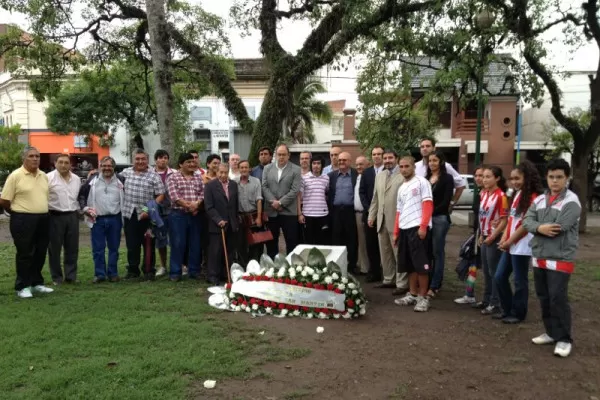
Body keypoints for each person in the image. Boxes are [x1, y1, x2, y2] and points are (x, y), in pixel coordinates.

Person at [523, 159, 581, 358]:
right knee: (544, 297)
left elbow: (559, 227)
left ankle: (564, 339)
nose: (555, 181)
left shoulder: (572, 201)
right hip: (539, 256)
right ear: (546, 178)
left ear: (567, 178)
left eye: (559, 177)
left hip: (560, 257)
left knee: (558, 298)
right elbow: (526, 221)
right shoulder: (539, 199)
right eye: (551, 177)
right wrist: (539, 227)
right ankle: (551, 332)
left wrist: (536, 226)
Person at [0, 147, 54, 298]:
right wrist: (16, 212)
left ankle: (36, 283)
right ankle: (22, 286)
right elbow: (4, 200)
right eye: (31, 156)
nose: (35, 159)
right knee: (25, 253)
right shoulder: (15, 176)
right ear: (24, 158)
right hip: (23, 219)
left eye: (37, 156)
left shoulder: (43, 176)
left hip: (43, 218)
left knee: (40, 252)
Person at [494, 160, 544, 323]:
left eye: (517, 178)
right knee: (499, 276)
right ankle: (507, 308)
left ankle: (518, 313)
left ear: (527, 178)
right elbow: (511, 219)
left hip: (522, 245)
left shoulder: (534, 197)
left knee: (519, 280)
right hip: (511, 243)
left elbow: (525, 225)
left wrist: (510, 241)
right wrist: (504, 238)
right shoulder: (518, 195)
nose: (514, 182)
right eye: (512, 179)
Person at [393, 156, 434, 312]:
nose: (404, 169)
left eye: (407, 166)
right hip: (404, 229)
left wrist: (423, 226)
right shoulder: (402, 187)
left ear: (413, 167)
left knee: (421, 265)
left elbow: (428, 204)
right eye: (401, 166)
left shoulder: (422, 182)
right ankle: (412, 294)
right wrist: (396, 232)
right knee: (409, 264)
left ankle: (423, 298)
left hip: (417, 228)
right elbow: (398, 211)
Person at [120, 149, 165, 280]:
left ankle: (148, 270)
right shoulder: (125, 173)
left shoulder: (153, 175)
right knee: (132, 244)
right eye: (137, 159)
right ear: (133, 160)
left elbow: (161, 194)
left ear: (147, 160)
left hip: (147, 215)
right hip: (130, 214)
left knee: (148, 244)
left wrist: (147, 209)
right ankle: (133, 270)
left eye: (143, 159)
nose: (140, 161)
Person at [368, 149, 408, 294]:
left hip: (397, 221)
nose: (387, 161)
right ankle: (388, 279)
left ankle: (402, 283)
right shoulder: (380, 175)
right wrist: (371, 216)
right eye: (385, 158)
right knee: (385, 252)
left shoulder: (403, 175)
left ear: (396, 158)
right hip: (381, 220)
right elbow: (375, 198)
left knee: (398, 253)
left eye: (390, 158)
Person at [79, 156, 124, 283]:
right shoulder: (92, 180)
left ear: (113, 167)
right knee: (98, 249)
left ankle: (113, 273)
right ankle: (100, 274)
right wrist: (85, 208)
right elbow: (81, 196)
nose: (107, 168)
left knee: (114, 248)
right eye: (104, 166)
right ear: (100, 166)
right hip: (97, 219)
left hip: (115, 219)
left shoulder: (121, 180)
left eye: (109, 166)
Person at [166, 152, 204, 281]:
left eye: (193, 162)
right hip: (178, 215)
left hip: (195, 215)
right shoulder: (173, 177)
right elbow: (174, 196)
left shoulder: (198, 177)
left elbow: (203, 194)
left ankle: (194, 270)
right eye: (188, 162)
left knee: (195, 243)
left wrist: (197, 204)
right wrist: (190, 206)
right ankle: (175, 272)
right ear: (180, 164)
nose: (192, 164)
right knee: (177, 243)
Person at [477, 165, 509, 315]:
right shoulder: (483, 194)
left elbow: (504, 220)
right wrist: (480, 235)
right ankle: (487, 299)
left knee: (493, 271)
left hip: (493, 237)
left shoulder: (501, 196)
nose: (484, 180)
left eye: (488, 176)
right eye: (483, 177)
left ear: (497, 178)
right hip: (484, 236)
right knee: (486, 271)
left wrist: (492, 236)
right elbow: (482, 216)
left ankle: (496, 302)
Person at [46, 154, 81, 285]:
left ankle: (71, 276)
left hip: (72, 215)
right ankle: (57, 278)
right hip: (55, 216)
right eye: (60, 162)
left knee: (72, 248)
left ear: (70, 164)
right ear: (55, 163)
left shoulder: (76, 179)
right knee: (54, 249)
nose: (63, 165)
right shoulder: (48, 178)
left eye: (66, 163)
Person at [262, 144, 302, 257]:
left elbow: (295, 190)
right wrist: (273, 202)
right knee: (271, 242)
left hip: (289, 211)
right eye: (279, 154)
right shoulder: (267, 168)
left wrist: (280, 203)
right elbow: (264, 186)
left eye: (284, 154)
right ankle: (273, 268)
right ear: (275, 155)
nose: (281, 157)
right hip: (271, 211)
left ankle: (291, 268)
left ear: (288, 155)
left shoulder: (296, 169)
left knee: (291, 242)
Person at [204, 163, 239, 285]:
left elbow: (235, 204)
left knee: (229, 251)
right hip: (217, 224)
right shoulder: (210, 186)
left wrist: (235, 221)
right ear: (217, 172)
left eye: (225, 172)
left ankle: (226, 274)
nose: (223, 175)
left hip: (231, 223)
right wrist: (218, 219)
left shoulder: (234, 185)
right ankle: (213, 275)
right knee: (215, 251)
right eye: (221, 172)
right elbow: (209, 206)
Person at [426, 151, 454, 297]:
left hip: (439, 219)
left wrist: (429, 213)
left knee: (437, 252)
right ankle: (428, 281)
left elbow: (445, 202)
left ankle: (435, 284)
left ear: (441, 162)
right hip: (426, 220)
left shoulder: (447, 178)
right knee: (428, 252)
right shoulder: (425, 178)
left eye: (435, 160)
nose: (432, 163)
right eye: (430, 160)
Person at [455, 166, 485, 304]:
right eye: (477, 175)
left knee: (485, 267)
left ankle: (490, 298)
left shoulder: (492, 195)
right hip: (477, 233)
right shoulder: (481, 193)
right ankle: (469, 292)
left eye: (482, 175)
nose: (479, 178)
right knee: (472, 262)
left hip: (485, 235)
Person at [328, 152, 359, 273]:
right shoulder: (331, 176)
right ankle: (336, 265)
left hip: (350, 211)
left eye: (344, 160)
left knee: (352, 239)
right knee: (336, 238)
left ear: (350, 161)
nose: (341, 162)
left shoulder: (356, 175)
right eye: (340, 160)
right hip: (335, 212)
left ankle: (351, 265)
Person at [415, 138, 466, 209]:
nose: (425, 149)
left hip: (438, 212)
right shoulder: (415, 167)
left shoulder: (445, 166)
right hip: (419, 211)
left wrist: (452, 203)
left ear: (434, 148)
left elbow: (461, 184)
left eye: (427, 146)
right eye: (422, 146)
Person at [359, 146, 385, 282]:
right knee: (371, 245)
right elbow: (362, 192)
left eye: (379, 154)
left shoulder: (389, 171)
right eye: (374, 154)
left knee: (385, 246)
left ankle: (386, 274)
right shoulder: (367, 172)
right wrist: (370, 210)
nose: (377, 156)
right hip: (369, 215)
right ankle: (373, 272)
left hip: (385, 215)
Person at [236, 160, 264, 265]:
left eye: (246, 167)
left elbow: (259, 199)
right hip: (240, 217)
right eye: (241, 167)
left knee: (256, 243)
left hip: (253, 215)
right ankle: (243, 266)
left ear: (249, 169)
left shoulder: (256, 181)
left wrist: (259, 217)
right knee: (241, 244)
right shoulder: (234, 182)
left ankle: (255, 265)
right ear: (239, 169)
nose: (244, 169)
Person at [298, 155, 329, 245]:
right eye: (314, 163)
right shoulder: (304, 178)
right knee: (309, 242)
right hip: (308, 215)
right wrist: (300, 214)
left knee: (322, 242)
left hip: (323, 215)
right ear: (311, 165)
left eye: (318, 163)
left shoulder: (326, 178)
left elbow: (326, 192)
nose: (316, 165)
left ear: (322, 165)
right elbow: (299, 197)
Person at [153, 149, 175, 277]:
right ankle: (163, 266)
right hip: (156, 211)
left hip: (172, 209)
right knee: (160, 240)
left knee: (174, 240)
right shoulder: (150, 173)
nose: (163, 160)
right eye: (160, 157)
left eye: (165, 157)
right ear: (156, 160)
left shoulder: (174, 173)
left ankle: (176, 264)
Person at [354, 156, 370, 274]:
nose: (359, 167)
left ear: (367, 164)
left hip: (365, 214)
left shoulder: (369, 178)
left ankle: (367, 268)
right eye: (357, 164)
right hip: (355, 214)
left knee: (366, 243)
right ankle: (362, 266)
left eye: (361, 164)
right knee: (360, 242)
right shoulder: (357, 177)